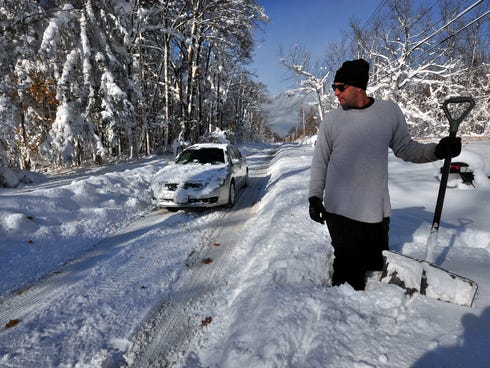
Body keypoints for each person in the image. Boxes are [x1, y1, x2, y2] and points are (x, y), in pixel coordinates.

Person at [308, 58, 461, 290]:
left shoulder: (388, 112)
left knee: (376, 267)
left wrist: (438, 150)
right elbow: (320, 161)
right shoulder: (332, 120)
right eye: (333, 87)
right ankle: (340, 319)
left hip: (375, 213)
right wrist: (315, 197)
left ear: (358, 87)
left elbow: (406, 149)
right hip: (340, 211)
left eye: (340, 87)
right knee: (348, 279)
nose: (335, 93)